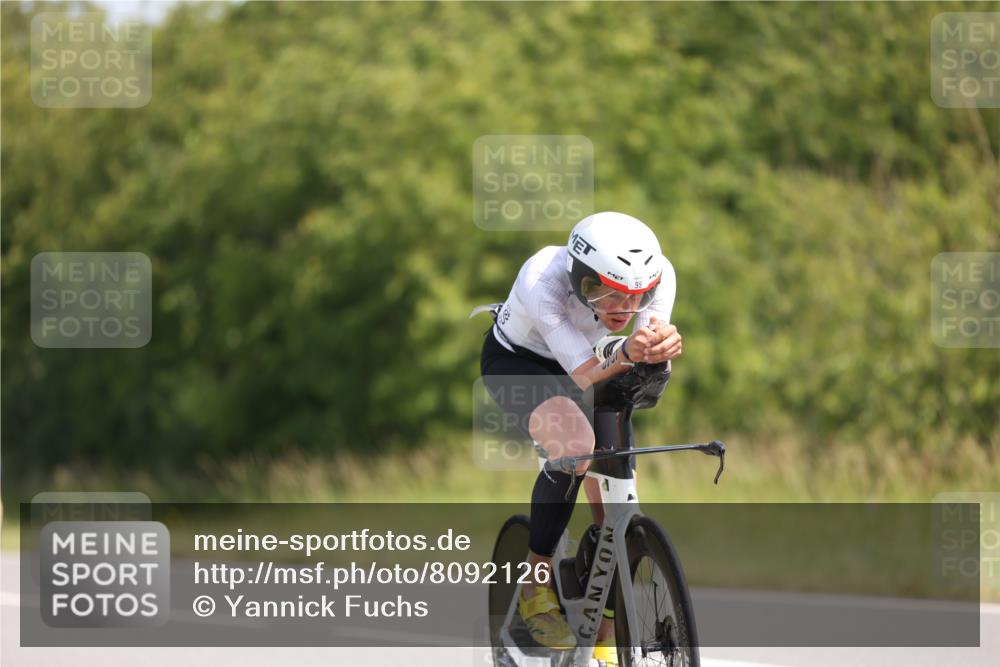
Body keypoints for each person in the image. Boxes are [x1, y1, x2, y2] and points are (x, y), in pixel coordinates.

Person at [478, 211, 682, 664]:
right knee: (574, 447)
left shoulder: (660, 275)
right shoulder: (542, 280)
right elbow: (585, 374)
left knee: (614, 502)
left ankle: (605, 639)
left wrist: (659, 351)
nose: (622, 309)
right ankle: (535, 586)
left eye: (636, 297)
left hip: (598, 360)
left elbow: (643, 348)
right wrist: (631, 350)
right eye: (602, 292)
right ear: (577, 276)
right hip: (524, 363)